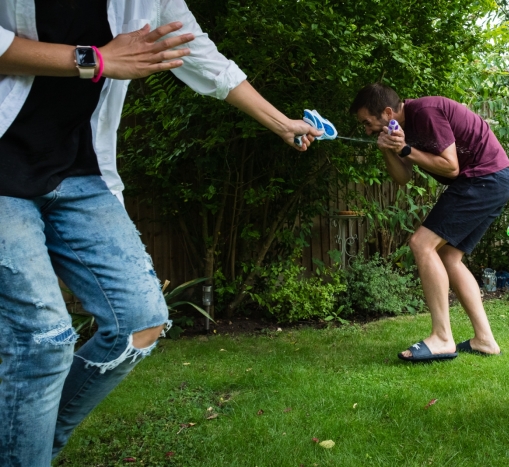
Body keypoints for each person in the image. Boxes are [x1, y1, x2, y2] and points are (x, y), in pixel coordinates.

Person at [0, 1, 321, 464]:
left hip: (81, 171)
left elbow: (203, 57)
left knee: (140, 321)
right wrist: (96, 59)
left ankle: (27, 446)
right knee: (43, 342)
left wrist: (281, 124)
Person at [349, 83, 509, 362]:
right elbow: (402, 179)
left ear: (388, 112)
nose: (365, 129)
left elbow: (451, 167)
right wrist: (389, 150)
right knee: (449, 256)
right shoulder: (401, 127)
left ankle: (442, 338)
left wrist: (405, 150)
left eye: (367, 122)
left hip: (484, 178)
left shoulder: (424, 112)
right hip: (492, 180)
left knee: (421, 243)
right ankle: (484, 340)